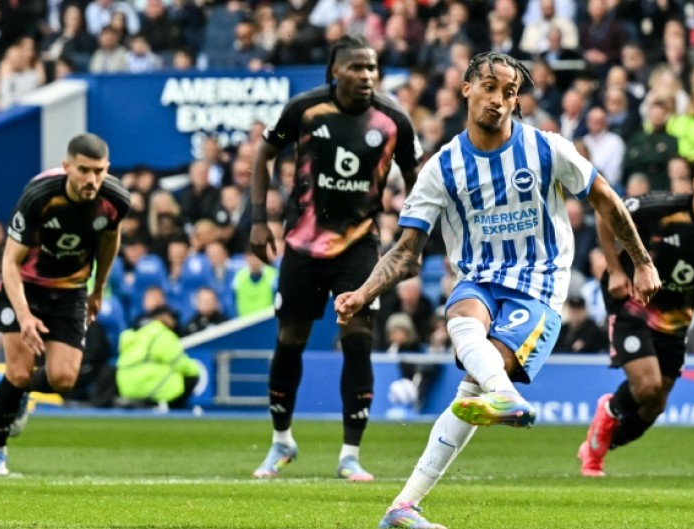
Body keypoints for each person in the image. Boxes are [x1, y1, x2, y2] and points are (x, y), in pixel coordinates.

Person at [334, 52, 660, 528]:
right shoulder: (442, 168)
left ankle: (404, 504)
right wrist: (363, 292)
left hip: (538, 283)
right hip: (479, 278)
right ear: (466, 88)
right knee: (462, 317)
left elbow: (605, 199)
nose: (499, 99)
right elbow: (406, 252)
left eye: (509, 92)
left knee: (476, 382)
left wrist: (642, 262)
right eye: (489, 87)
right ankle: (493, 409)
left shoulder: (547, 149)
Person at [248, 34, 422, 481]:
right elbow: (264, 152)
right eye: (357, 67)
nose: (366, 75)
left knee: (358, 338)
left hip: (359, 246)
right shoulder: (305, 109)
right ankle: (281, 441)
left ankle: (350, 454)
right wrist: (258, 219)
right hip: (303, 244)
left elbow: (417, 177)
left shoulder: (393, 119)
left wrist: (413, 241)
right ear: (335, 72)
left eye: (372, 67)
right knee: (291, 337)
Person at [578, 152, 694, 477]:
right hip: (631, 301)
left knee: (655, 404)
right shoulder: (661, 208)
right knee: (647, 387)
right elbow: (605, 210)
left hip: (675, 317)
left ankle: (599, 443)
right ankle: (601, 433)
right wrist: (615, 269)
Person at [0, 134, 130, 476]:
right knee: (18, 371)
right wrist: (24, 316)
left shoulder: (115, 199)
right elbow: (9, 262)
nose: (92, 179)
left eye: (99, 171)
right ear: (67, 167)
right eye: (84, 170)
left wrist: (98, 288)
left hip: (70, 289)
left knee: (63, 378)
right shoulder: (40, 196)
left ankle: (20, 394)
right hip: (24, 286)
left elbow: (110, 240)